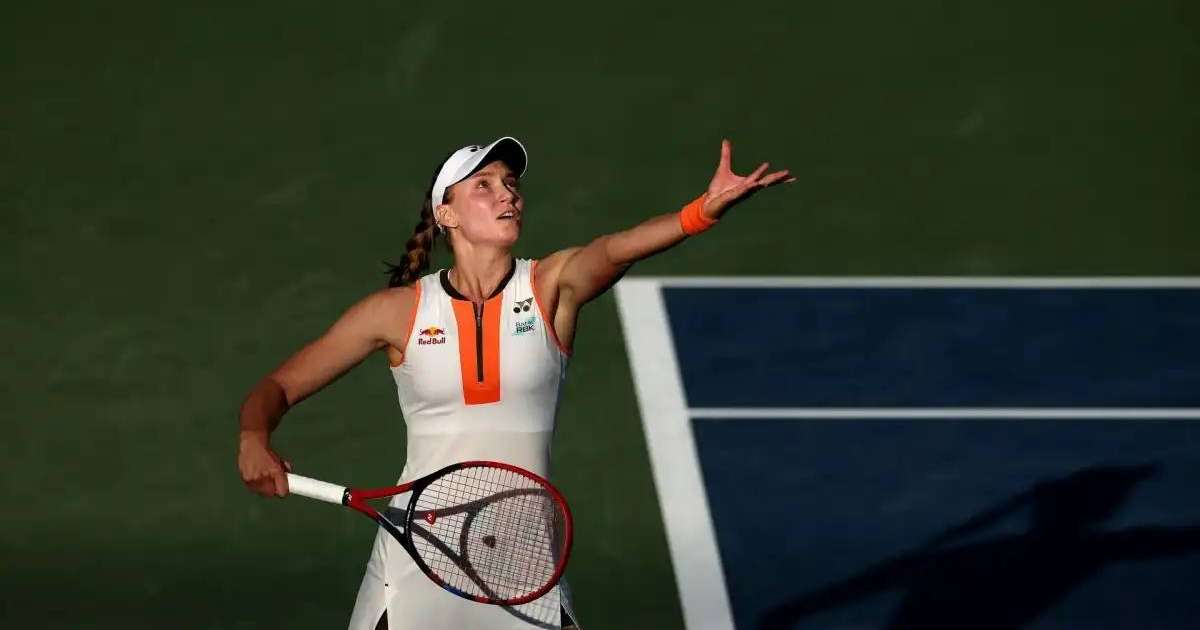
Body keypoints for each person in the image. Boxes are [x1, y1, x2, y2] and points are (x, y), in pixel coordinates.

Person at [237, 136, 793, 629]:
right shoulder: (397, 312)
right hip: (417, 556)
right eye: (484, 185)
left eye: (510, 184)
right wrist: (253, 436)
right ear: (446, 214)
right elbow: (278, 388)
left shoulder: (550, 286)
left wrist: (698, 213)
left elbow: (611, 251)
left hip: (528, 565)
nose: (507, 194)